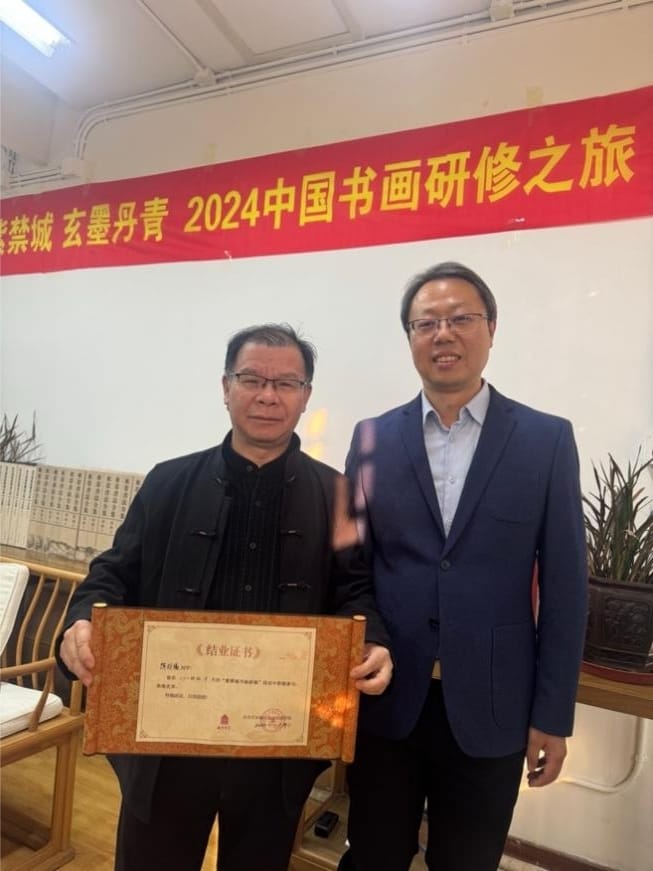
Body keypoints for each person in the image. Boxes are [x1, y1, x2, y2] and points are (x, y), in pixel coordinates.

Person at [57, 323, 392, 871]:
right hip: (167, 735)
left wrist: (372, 638)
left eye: (286, 383)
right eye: (252, 379)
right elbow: (113, 572)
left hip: (276, 742)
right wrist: (80, 621)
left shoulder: (338, 494)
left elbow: (355, 589)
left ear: (306, 395)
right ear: (225, 386)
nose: (268, 395)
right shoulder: (168, 482)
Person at [339, 263, 587, 871]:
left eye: (461, 319)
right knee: (372, 855)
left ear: (491, 329)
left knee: (468, 861)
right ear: (410, 337)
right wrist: (369, 639)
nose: (443, 334)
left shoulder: (546, 440)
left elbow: (565, 589)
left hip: (494, 705)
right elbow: (352, 569)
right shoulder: (371, 439)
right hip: (388, 700)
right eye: (426, 323)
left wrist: (552, 716)